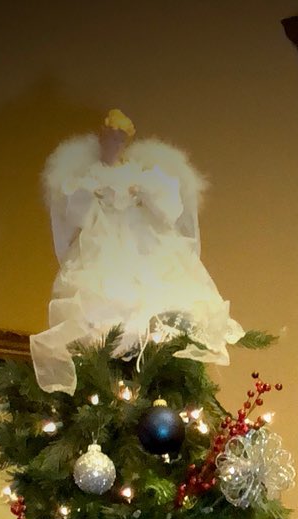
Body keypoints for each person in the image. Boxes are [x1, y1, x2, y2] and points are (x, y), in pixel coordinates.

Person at [32, 110, 245, 396]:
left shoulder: (146, 175)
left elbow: (169, 210)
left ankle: (147, 342)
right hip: (103, 245)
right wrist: (96, 190)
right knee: (100, 303)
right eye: (110, 139)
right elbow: (76, 217)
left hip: (144, 246)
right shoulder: (89, 178)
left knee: (153, 294)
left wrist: (141, 190)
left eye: (120, 140)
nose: (115, 145)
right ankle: (115, 344)